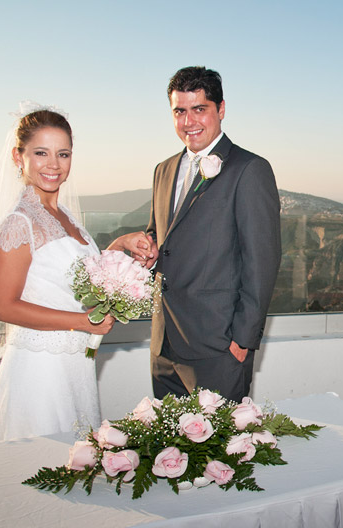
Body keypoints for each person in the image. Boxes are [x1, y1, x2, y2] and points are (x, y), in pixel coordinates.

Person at [115, 66, 281, 403]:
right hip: (164, 341)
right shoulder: (163, 170)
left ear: (220, 109)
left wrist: (243, 340)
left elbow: (261, 261)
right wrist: (146, 251)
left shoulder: (250, 169)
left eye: (199, 109)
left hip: (218, 344)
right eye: (180, 111)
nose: (189, 122)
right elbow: (162, 238)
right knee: (167, 450)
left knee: (221, 451)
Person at [0, 105, 115, 443]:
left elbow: (71, 277)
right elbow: (5, 307)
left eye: (63, 153)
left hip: (76, 367)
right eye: (41, 153)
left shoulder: (64, 214)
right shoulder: (20, 222)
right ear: (19, 156)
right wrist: (82, 322)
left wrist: (117, 246)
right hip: (40, 371)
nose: (53, 164)